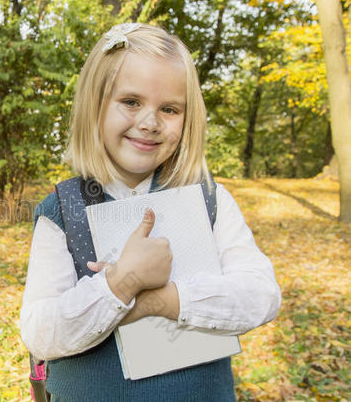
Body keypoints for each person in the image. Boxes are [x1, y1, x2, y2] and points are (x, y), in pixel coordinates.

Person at [19, 23, 281, 401]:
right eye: (130, 101)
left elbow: (261, 296)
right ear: (95, 105)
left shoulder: (209, 199)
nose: (150, 122)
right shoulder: (64, 210)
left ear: (188, 119)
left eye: (170, 109)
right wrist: (120, 283)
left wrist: (158, 300)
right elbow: (40, 332)